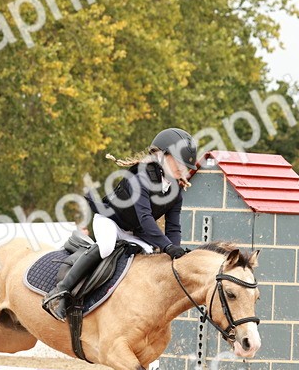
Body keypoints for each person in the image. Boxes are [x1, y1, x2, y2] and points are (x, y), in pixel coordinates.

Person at [42, 127, 198, 321]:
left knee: (150, 258)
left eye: (186, 167)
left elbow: (173, 227)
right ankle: (61, 292)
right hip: (109, 220)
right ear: (161, 155)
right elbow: (145, 218)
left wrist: (175, 252)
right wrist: (167, 246)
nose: (183, 169)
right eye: (179, 162)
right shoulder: (140, 178)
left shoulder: (176, 191)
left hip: (134, 231)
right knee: (107, 247)